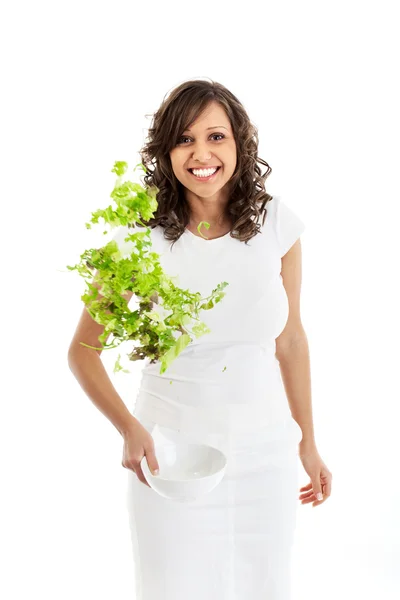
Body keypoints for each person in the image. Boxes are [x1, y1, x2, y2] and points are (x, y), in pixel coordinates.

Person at [68, 78, 332, 600]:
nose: (202, 154)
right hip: (172, 453)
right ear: (166, 152)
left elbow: (292, 340)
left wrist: (308, 442)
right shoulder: (137, 237)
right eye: (184, 139)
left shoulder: (277, 223)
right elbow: (82, 350)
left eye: (217, 136)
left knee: (264, 586)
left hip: (265, 451)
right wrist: (129, 430)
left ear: (239, 144)